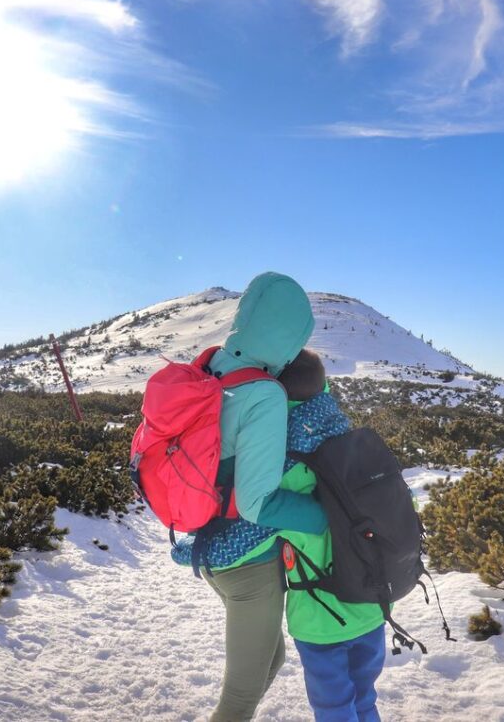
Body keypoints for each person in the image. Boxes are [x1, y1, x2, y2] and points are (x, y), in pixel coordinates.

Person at [177, 272, 328, 722]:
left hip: (210, 542)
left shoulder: (210, 366)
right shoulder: (263, 393)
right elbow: (256, 504)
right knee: (240, 697)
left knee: (272, 660)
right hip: (248, 565)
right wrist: (324, 517)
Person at [277, 349, 387, 722]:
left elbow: (261, 517)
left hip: (322, 621)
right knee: (364, 699)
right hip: (371, 608)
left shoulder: (286, 469)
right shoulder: (355, 450)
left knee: (334, 708)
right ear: (324, 387)